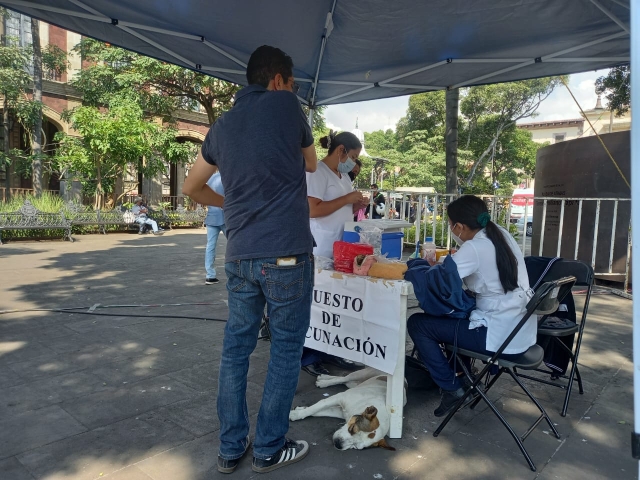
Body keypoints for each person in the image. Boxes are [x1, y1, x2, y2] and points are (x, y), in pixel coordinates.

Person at [182, 45, 317, 474]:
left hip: (240, 255)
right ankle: (268, 448)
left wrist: (234, 202)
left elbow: (192, 187)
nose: (292, 89)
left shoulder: (222, 124)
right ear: (278, 79)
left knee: (236, 349)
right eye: (292, 82)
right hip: (286, 253)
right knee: (284, 350)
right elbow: (312, 162)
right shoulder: (287, 106)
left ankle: (229, 448)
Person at [407, 195, 533, 418]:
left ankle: (451, 387)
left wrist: (417, 266)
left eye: (450, 225)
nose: (451, 230)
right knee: (456, 317)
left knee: (418, 324)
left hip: (497, 335)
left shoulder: (475, 247)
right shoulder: (501, 234)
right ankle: (463, 377)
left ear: (460, 226)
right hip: (519, 329)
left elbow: (440, 280)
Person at [301, 131, 367, 376]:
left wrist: (355, 205)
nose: (353, 161)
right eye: (352, 156)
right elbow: (312, 209)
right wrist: (346, 199)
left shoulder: (342, 176)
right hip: (320, 248)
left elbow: (341, 210)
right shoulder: (317, 172)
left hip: (340, 250)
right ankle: (309, 356)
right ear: (340, 151)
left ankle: (331, 351)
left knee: (333, 307)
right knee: (316, 306)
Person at [204, 172, 226, 285]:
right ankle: (237, 272)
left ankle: (210, 275)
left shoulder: (210, 178)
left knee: (210, 246)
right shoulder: (228, 176)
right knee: (234, 244)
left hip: (211, 216)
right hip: (226, 216)